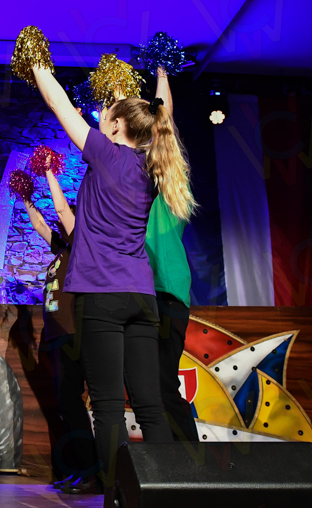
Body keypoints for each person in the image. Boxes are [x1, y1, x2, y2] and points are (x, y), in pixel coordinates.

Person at [28, 60, 196, 492]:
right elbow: (162, 119)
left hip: (101, 295)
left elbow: (58, 104)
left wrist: (37, 63)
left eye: (107, 113)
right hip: (141, 297)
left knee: (106, 406)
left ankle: (119, 494)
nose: (100, 115)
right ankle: (162, 493)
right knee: (150, 404)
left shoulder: (106, 153)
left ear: (117, 125)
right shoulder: (153, 165)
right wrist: (156, 85)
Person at [21, 162, 96, 494]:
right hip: (56, 336)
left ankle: (92, 472)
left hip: (73, 334)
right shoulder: (62, 249)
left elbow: (63, 210)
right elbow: (39, 223)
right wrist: (25, 197)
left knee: (71, 403)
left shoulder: (83, 245)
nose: (63, 222)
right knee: (66, 405)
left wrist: (49, 172)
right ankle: (81, 469)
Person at [145, 67, 199, 445]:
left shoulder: (165, 188)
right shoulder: (143, 186)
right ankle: (166, 462)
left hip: (165, 292)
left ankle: (192, 464)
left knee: (163, 384)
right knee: (152, 387)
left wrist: (162, 76)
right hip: (151, 292)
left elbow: (164, 126)